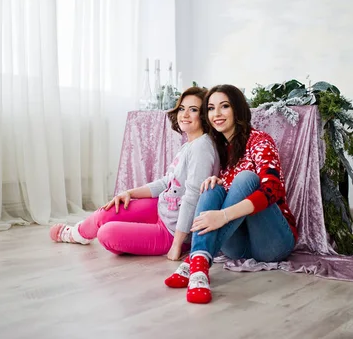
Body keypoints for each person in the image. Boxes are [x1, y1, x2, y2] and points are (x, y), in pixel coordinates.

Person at [49, 86, 220, 260]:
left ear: (204, 116)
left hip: (172, 231)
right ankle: (76, 234)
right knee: (106, 212)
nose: (184, 114)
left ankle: (166, 241)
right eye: (182, 108)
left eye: (193, 110)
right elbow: (167, 182)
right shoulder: (189, 145)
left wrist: (176, 245)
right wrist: (129, 193)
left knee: (107, 234)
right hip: (161, 209)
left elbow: (193, 197)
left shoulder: (201, 148)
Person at [164, 84, 299, 303]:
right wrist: (217, 183)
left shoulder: (259, 140)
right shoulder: (218, 148)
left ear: (237, 109)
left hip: (272, 242)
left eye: (224, 106)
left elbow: (273, 189)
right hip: (237, 246)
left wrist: (223, 216)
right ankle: (199, 270)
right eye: (210, 108)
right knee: (211, 185)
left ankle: (194, 262)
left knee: (247, 178)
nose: (216, 114)